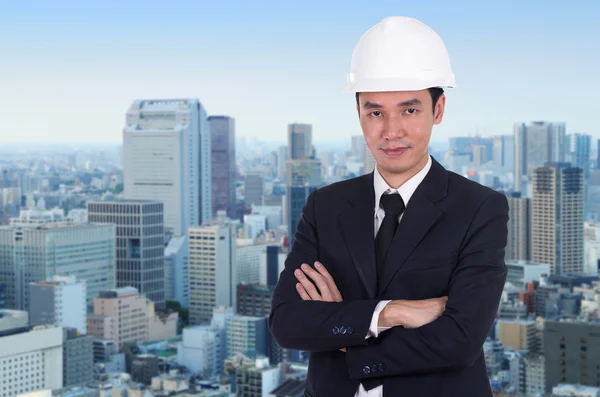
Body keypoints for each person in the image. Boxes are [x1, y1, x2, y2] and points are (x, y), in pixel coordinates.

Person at [269, 16, 508, 397]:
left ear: (439, 109)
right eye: (375, 111)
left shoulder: (479, 208)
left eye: (409, 110)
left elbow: (460, 340)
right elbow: (286, 323)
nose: (391, 130)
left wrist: (346, 333)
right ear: (359, 113)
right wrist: (391, 313)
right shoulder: (326, 205)